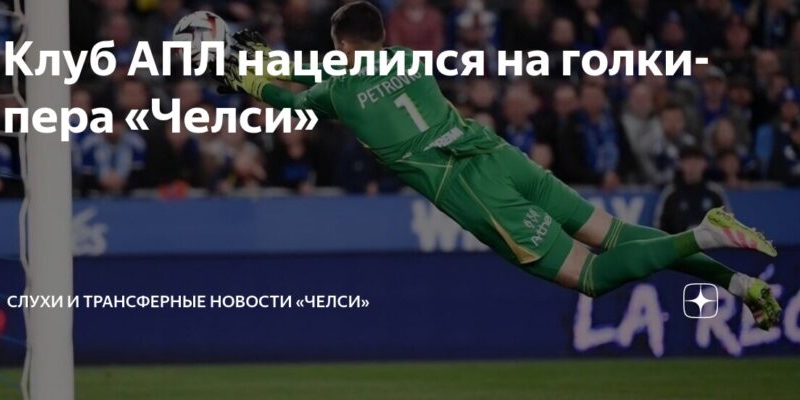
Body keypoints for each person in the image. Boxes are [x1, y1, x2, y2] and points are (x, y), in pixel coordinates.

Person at [215, 1, 781, 329]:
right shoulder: (406, 58)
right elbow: (324, 76)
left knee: (590, 276)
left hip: (472, 184)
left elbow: (293, 95)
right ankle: (739, 284)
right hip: (498, 152)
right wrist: (268, 63)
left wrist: (248, 75)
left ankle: (705, 231)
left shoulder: (339, 92)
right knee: (613, 235)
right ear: (383, 38)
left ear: (341, 47)